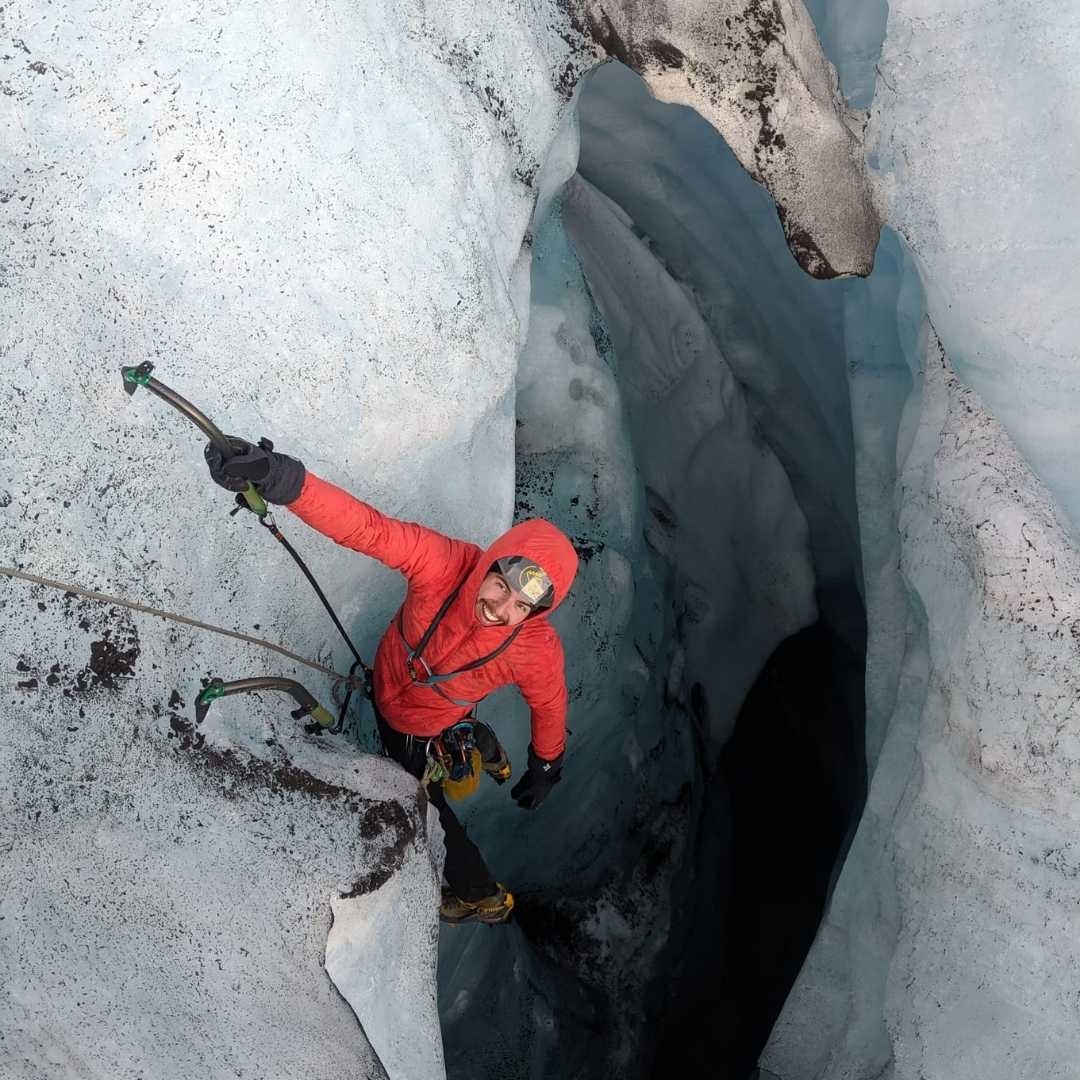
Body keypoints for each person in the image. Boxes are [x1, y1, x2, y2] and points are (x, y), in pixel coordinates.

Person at [205, 438, 578, 925]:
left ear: (535, 613)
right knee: (444, 740)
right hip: (395, 682)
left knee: (429, 810)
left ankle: (477, 893)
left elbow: (549, 703)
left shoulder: (533, 647)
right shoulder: (445, 565)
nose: (500, 609)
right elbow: (370, 530)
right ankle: (471, 743)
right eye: (501, 587)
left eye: (520, 607)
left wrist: (548, 763)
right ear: (490, 566)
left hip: (414, 726)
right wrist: (281, 479)